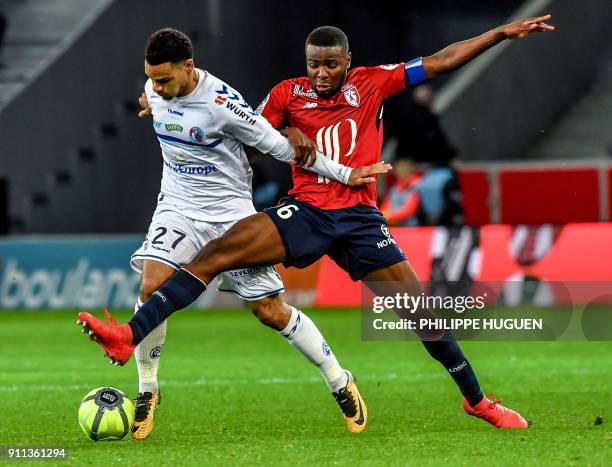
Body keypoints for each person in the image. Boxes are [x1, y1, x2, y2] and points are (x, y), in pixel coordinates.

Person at [79, 16, 555, 429]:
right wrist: (280, 126)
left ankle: (478, 402)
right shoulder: (287, 93)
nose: (321, 73)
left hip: (361, 219)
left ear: (348, 60)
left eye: (330, 64)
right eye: (313, 64)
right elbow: (253, 128)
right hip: (304, 211)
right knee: (213, 256)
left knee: (420, 314)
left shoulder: (374, 82)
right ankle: (128, 335)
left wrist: (497, 34)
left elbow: (441, 60)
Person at [108, 28, 391, 439]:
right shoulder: (156, 90)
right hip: (178, 207)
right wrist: (152, 96)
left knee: (270, 311)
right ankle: (147, 390)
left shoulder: (225, 105)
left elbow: (285, 149)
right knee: (151, 285)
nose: (156, 87)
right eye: (151, 79)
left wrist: (347, 174)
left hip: (231, 215)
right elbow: (151, 94)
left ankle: (338, 378)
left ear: (189, 68)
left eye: (165, 80)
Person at [380, 159, 422, 226]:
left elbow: (409, 210)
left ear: (410, 170)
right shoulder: (395, 187)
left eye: (404, 170)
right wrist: (383, 216)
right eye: (399, 171)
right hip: (394, 225)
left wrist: (388, 215)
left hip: (412, 227)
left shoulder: (416, 185)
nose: (400, 173)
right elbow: (385, 206)